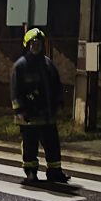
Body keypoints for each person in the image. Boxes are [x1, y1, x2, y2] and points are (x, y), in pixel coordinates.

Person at [11, 27, 69, 185]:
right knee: (30, 146)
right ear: (27, 45)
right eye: (33, 44)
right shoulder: (21, 66)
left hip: (47, 114)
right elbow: (16, 91)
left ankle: (55, 171)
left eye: (38, 44)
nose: (36, 47)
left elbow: (56, 85)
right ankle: (31, 172)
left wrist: (59, 101)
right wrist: (19, 110)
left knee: (52, 145)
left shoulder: (48, 64)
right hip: (29, 116)